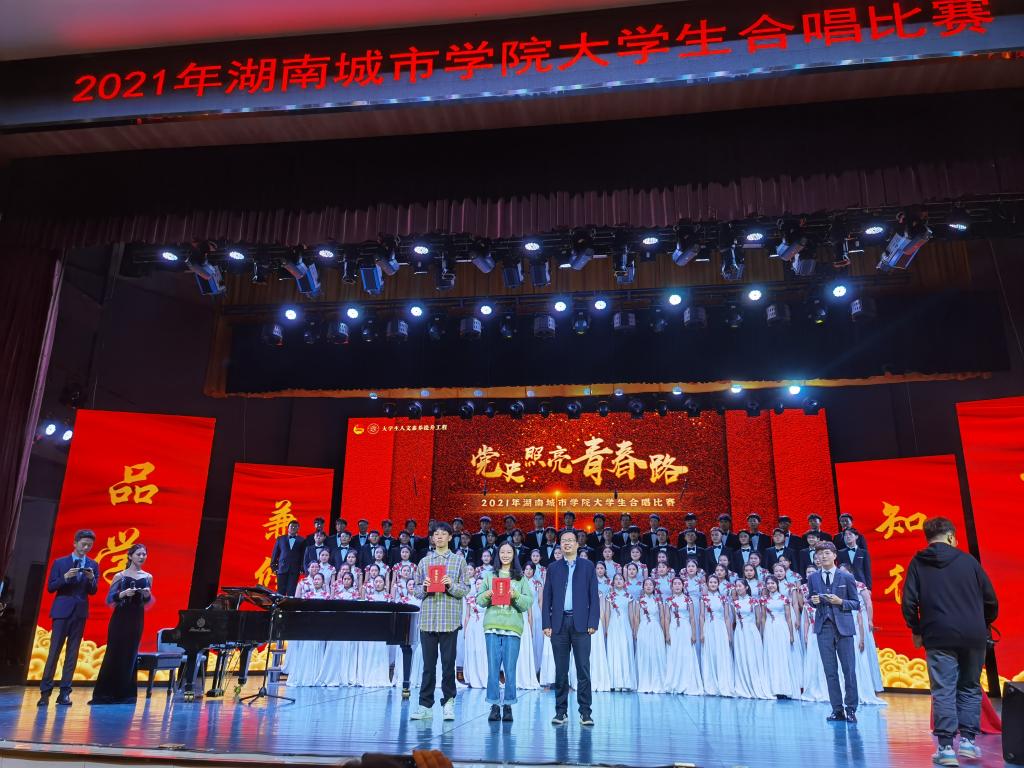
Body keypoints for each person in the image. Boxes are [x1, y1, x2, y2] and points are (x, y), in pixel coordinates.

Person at [901, 517, 998, 766]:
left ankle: (945, 748)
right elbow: (991, 600)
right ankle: (968, 742)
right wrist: (983, 622)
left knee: (944, 689)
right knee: (970, 687)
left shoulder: (918, 563)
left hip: (938, 635)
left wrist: (916, 629)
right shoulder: (969, 561)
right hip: (973, 635)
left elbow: (908, 602)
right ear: (951, 536)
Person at [410, 522, 470, 722]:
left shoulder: (459, 561)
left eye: (444, 534)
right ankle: (425, 705)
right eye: (436, 534)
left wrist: (451, 585)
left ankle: (448, 703)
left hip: (449, 620)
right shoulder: (424, 562)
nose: (440, 537)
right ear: (432, 538)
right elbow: (416, 591)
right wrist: (424, 587)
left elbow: (465, 589)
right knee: (428, 666)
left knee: (448, 665)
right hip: (428, 620)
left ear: (450, 537)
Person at [542, 528, 600, 727]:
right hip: (558, 624)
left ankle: (585, 712)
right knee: (561, 670)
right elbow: (547, 597)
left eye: (570, 540)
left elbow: (594, 596)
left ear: (577, 544)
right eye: (563, 540)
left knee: (583, 669)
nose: (566, 543)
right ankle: (561, 712)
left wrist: (593, 622)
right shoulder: (553, 568)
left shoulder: (588, 566)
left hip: (581, 624)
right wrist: (546, 623)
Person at [39, 529, 99, 706]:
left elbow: (93, 591)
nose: (86, 548)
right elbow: (51, 587)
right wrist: (65, 577)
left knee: (72, 654)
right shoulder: (60, 562)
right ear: (75, 543)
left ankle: (65, 692)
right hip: (61, 612)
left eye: (89, 545)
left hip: (80, 613)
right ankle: (45, 693)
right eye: (83, 544)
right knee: (54, 652)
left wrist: (91, 579)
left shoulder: (93, 564)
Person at [89, 543, 152, 704]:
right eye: (138, 554)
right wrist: (123, 594)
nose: (142, 557)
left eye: (144, 554)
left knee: (130, 654)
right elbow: (109, 599)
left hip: (136, 618)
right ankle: (105, 694)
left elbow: (147, 602)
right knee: (114, 653)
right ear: (130, 556)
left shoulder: (148, 577)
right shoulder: (120, 576)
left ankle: (125, 694)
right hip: (120, 617)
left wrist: (146, 595)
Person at [476, 542, 534, 721]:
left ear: (514, 555)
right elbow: (479, 600)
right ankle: (494, 704)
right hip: (492, 626)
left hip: (512, 627)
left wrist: (516, 595)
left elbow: (527, 603)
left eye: (509, 552)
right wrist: (487, 595)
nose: (506, 555)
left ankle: (508, 705)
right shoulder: (489, 576)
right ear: (498, 554)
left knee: (510, 668)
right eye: (502, 552)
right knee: (493, 668)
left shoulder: (520, 578)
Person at [808, 542, 860, 723]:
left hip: (844, 628)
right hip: (824, 627)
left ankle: (851, 709)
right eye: (820, 554)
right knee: (830, 671)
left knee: (849, 670)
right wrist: (813, 601)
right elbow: (810, 599)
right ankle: (837, 709)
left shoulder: (846, 577)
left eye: (826, 553)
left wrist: (840, 602)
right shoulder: (813, 577)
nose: (823, 556)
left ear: (834, 555)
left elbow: (856, 603)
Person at [730, 579, 771, 700]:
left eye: (740, 586)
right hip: (740, 632)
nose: (738, 588)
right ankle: (742, 686)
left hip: (751, 631)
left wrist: (756, 632)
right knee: (741, 657)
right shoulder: (734, 603)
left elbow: (758, 619)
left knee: (752, 657)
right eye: (736, 586)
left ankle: (755, 684)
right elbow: (734, 620)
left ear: (746, 587)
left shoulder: (754, 601)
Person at [663, 577, 703, 695]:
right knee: (674, 654)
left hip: (685, 628)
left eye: (679, 583)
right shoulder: (668, 600)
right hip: (673, 629)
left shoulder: (688, 600)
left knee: (686, 654)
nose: (677, 586)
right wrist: (667, 633)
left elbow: (692, 617)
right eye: (675, 584)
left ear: (683, 586)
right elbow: (666, 618)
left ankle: (688, 682)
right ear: (671, 587)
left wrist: (694, 633)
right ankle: (674, 681)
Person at [699, 574, 733, 697]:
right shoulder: (704, 599)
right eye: (711, 582)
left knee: (721, 653)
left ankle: (723, 683)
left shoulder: (723, 599)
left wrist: (729, 634)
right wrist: (701, 632)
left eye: (715, 582)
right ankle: (710, 684)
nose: (713, 584)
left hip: (720, 628)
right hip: (709, 627)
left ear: (718, 584)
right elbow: (701, 616)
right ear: (707, 584)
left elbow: (727, 617)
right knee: (710, 653)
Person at [632, 578, 666, 693]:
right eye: (646, 584)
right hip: (643, 628)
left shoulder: (658, 601)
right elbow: (636, 617)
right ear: (643, 587)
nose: (648, 586)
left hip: (656, 629)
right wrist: (636, 631)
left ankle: (657, 682)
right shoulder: (639, 601)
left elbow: (662, 617)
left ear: (654, 587)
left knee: (656, 655)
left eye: (651, 584)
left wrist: (663, 632)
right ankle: (644, 682)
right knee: (645, 654)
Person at [604, 573, 636, 691]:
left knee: (625, 650)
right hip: (613, 625)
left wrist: (633, 629)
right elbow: (607, 613)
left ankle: (626, 682)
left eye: (620, 579)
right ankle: (614, 682)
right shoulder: (609, 596)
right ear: (613, 582)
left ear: (624, 582)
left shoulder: (629, 596)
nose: (618, 581)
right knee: (614, 650)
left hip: (625, 625)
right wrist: (606, 628)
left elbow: (631, 614)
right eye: (616, 579)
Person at [270, 520, 305, 598]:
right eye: (291, 526)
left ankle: (290, 605)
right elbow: (275, 554)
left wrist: (302, 568)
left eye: (295, 527)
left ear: (298, 529)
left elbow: (303, 555)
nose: (293, 528)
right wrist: (274, 567)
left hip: (295, 570)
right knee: (280, 592)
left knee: (291, 591)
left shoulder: (302, 540)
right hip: (282, 569)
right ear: (288, 528)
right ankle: (280, 605)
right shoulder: (280, 539)